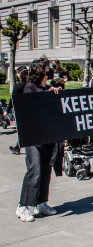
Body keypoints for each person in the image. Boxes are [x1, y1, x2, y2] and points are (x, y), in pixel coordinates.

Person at [15, 59, 62, 222]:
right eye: (48, 69)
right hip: (33, 137)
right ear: (41, 72)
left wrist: (53, 93)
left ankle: (41, 202)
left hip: (46, 135)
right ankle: (22, 206)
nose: (51, 72)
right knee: (34, 170)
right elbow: (31, 109)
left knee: (46, 170)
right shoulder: (30, 88)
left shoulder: (45, 88)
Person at [6, 66, 28, 155]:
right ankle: (17, 147)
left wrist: (7, 110)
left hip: (21, 111)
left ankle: (17, 147)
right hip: (30, 110)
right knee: (25, 130)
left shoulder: (19, 85)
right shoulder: (30, 84)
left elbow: (13, 99)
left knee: (23, 131)